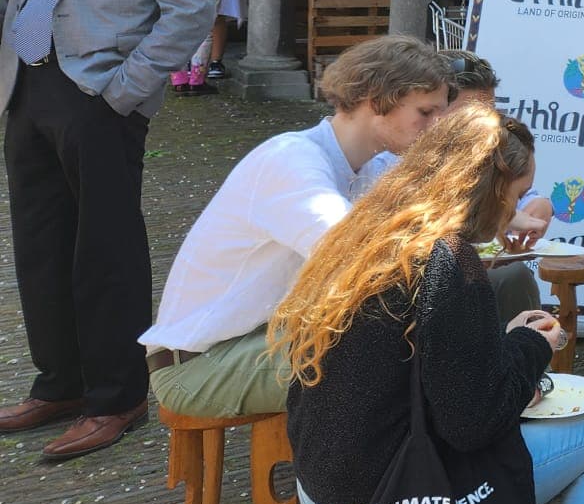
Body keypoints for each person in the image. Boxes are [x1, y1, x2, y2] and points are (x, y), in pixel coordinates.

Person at [274, 108, 584, 504]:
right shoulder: (450, 261)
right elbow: (472, 425)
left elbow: (416, 363)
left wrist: (500, 341)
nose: (517, 212)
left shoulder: (370, 230)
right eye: (518, 195)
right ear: (494, 189)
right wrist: (531, 345)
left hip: (320, 490)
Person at [0, 0, 215, 462]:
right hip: (26, 86)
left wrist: (124, 91)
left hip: (99, 97)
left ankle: (117, 398)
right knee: (38, 247)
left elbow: (189, 8)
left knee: (106, 253)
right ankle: (59, 383)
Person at [142, 36, 451, 419]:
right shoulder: (292, 161)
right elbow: (357, 256)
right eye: (426, 112)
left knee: (420, 336)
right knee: (389, 358)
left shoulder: (372, 166)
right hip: (198, 363)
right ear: (376, 101)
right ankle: (361, 477)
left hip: (272, 337)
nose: (439, 127)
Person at [441, 49, 551, 320]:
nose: (484, 126)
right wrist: (506, 217)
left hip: (462, 268)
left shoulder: (488, 146)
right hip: (417, 281)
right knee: (511, 276)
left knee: (513, 277)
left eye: (489, 113)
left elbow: (513, 191)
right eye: (470, 115)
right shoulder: (395, 157)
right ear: (435, 107)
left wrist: (537, 205)